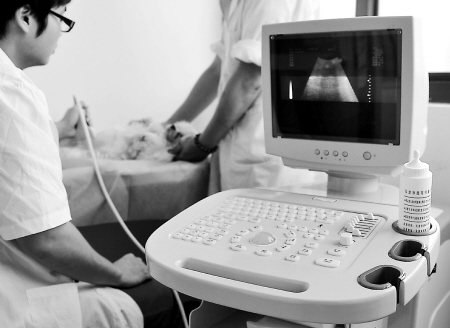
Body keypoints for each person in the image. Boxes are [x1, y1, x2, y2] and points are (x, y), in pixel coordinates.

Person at [0, 2, 185, 327]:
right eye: (63, 16)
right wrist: (116, 273)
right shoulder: (14, 95)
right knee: (169, 290)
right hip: (18, 303)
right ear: (26, 16)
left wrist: (56, 128)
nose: (62, 30)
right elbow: (45, 239)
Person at [167, 0, 320, 194]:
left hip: (265, 157)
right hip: (240, 152)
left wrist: (202, 144)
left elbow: (249, 80)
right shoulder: (236, 4)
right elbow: (218, 69)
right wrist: (170, 124)